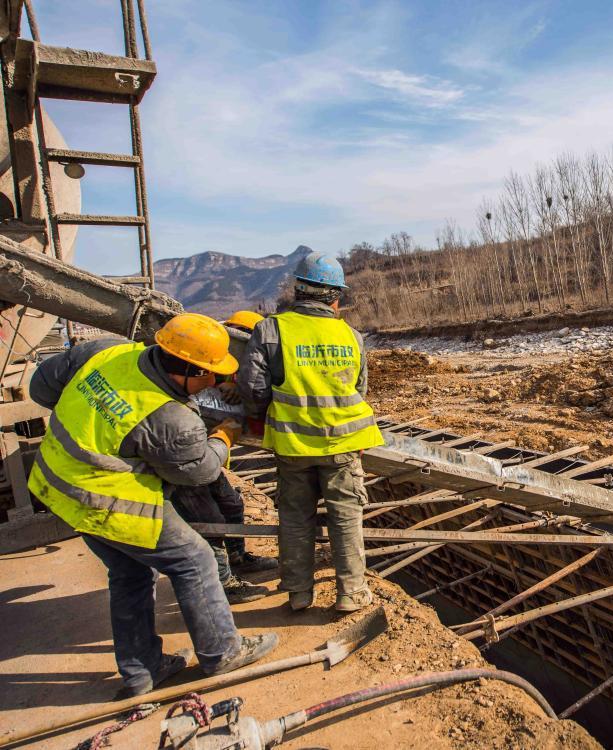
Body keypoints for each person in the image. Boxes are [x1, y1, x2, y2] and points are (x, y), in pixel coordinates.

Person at [27, 313, 278, 696]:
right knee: (194, 560)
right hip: (104, 497)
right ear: (186, 371)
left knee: (129, 573)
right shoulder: (171, 418)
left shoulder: (107, 351)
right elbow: (198, 473)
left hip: (54, 484)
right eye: (209, 374)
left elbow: (42, 388)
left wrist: (102, 422)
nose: (214, 382)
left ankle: (143, 671)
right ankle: (222, 652)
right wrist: (224, 438)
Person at [239, 253, 383, 613]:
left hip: (292, 447)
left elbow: (253, 388)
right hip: (343, 445)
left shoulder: (270, 329)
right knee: (346, 516)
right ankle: (351, 592)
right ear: (336, 296)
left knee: (294, 517)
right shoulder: (351, 336)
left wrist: (262, 419)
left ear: (299, 291)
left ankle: (299, 593)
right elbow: (359, 390)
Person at [168, 309, 276, 605]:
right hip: (182, 457)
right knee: (208, 518)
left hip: (206, 452)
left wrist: (232, 386)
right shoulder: (192, 368)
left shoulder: (236, 365)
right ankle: (223, 583)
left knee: (231, 503)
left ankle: (238, 558)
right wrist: (224, 434)